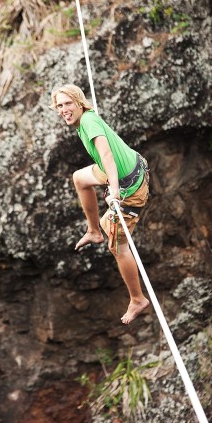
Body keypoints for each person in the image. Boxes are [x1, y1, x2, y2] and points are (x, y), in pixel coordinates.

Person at [51, 84, 150, 325]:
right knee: (79, 178)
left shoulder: (88, 122)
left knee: (118, 246)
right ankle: (93, 231)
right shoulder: (86, 119)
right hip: (126, 166)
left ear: (79, 103)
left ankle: (138, 299)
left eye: (68, 104)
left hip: (130, 186)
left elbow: (106, 155)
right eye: (59, 105)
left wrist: (114, 190)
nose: (64, 109)